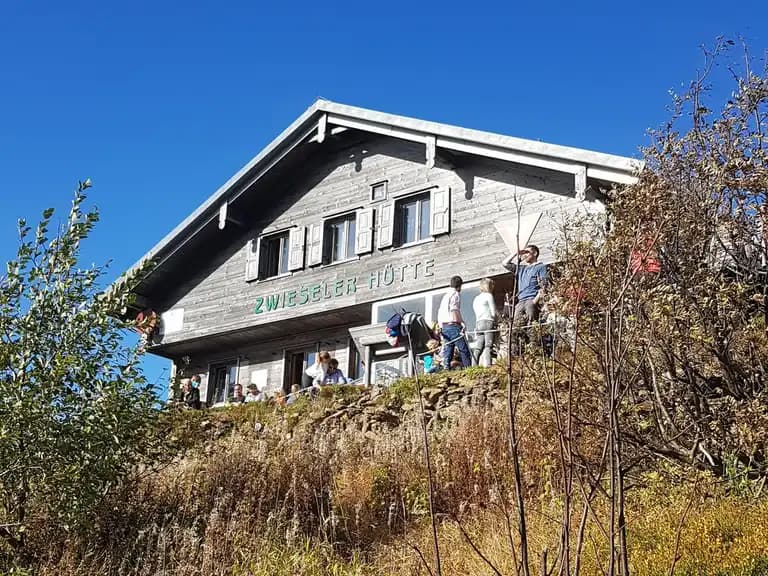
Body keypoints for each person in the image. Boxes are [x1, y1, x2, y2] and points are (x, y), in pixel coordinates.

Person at [502, 244, 548, 327]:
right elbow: (505, 263)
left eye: (527, 252)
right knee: (516, 325)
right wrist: (516, 253)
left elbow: (544, 285)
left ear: (534, 253)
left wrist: (534, 302)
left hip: (531, 299)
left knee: (532, 325)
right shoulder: (521, 268)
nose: (525, 255)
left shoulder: (540, 267)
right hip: (521, 301)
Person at [437, 275, 472, 369]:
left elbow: (440, 311)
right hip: (452, 325)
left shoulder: (446, 296)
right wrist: (461, 322)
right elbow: (454, 310)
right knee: (463, 349)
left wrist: (440, 327)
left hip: (444, 326)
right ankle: (469, 369)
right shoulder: (455, 294)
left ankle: (446, 369)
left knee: (448, 349)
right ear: (460, 285)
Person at [472, 278, 498, 367]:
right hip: (488, 321)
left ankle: (474, 365)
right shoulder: (488, 296)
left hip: (478, 322)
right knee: (488, 345)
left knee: (478, 347)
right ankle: (488, 364)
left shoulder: (476, 298)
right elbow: (493, 312)